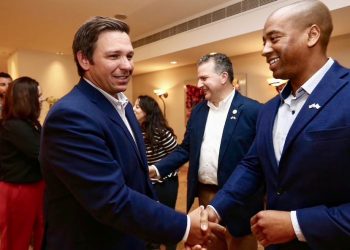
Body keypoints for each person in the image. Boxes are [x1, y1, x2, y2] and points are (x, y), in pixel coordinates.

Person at [39, 16, 224, 250]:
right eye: (114, 56)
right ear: (84, 59)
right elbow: (111, 199)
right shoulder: (70, 116)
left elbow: (138, 182)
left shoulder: (123, 105)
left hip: (130, 237)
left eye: (129, 56)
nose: (127, 65)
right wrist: (185, 227)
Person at [197, 0, 350, 249]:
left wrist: (297, 224)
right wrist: (215, 209)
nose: (265, 50)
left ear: (312, 35)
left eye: (274, 38)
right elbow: (253, 165)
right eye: (263, 42)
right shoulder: (269, 109)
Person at [149, 53, 264, 250]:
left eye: (204, 78)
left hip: (240, 202)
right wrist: (157, 169)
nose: (198, 84)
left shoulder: (254, 111)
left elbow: (258, 161)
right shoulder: (198, 111)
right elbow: (186, 149)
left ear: (223, 77)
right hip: (205, 196)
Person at [0, 76, 45, 250]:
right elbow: (41, 153)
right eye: (38, 96)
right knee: (17, 239)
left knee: (40, 230)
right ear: (26, 99)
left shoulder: (32, 124)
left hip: (35, 186)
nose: (41, 100)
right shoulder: (13, 126)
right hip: (18, 190)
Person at [133, 95, 179, 250]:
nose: (134, 109)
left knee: (166, 219)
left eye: (138, 107)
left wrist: (160, 173)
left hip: (165, 183)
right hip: (145, 183)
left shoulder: (162, 132)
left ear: (147, 111)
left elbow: (176, 157)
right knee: (148, 220)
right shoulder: (134, 131)